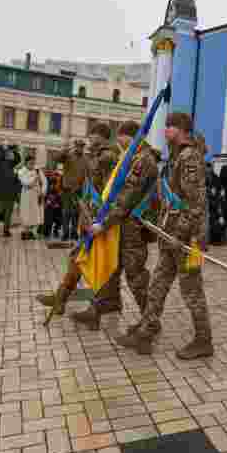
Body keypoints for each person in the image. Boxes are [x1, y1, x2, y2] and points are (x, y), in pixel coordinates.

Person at [116, 112, 213, 360]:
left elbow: (195, 203)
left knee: (191, 290)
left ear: (182, 129)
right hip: (171, 235)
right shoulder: (176, 156)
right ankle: (146, 332)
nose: (165, 130)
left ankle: (204, 341)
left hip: (185, 238)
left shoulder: (190, 157)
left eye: (170, 126)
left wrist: (180, 234)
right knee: (158, 285)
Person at [73, 121, 160, 331]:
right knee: (110, 268)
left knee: (136, 276)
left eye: (121, 139)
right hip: (120, 225)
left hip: (133, 228)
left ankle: (151, 322)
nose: (119, 143)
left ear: (130, 137)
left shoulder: (142, 160)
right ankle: (100, 308)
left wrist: (104, 223)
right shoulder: (131, 157)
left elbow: (126, 198)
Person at [35, 123, 119, 314]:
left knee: (93, 262)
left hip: (99, 219)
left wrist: (99, 219)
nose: (89, 139)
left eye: (92, 135)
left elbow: (107, 190)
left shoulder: (107, 157)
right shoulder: (96, 156)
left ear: (100, 136)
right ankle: (62, 298)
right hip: (90, 215)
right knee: (78, 257)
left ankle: (84, 303)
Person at [0, 144, 21, 237]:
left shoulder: (11, 163)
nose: (11, 155)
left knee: (8, 213)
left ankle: (6, 230)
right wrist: (3, 151)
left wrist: (13, 150)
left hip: (10, 192)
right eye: (9, 153)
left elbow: (18, 159)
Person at [17, 156, 45, 239]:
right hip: (27, 195)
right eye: (30, 163)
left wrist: (43, 191)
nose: (32, 164)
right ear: (26, 163)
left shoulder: (37, 170)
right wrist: (35, 178)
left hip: (37, 194)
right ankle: (26, 232)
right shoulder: (21, 171)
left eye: (33, 163)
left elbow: (44, 182)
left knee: (36, 214)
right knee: (27, 214)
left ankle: (34, 232)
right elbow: (27, 183)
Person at [206, 162, 225, 245]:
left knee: (216, 221)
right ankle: (211, 239)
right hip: (207, 202)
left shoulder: (216, 177)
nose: (208, 169)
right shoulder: (202, 177)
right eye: (207, 168)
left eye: (210, 168)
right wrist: (209, 191)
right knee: (210, 221)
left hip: (215, 202)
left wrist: (218, 193)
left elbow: (220, 189)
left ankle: (216, 239)